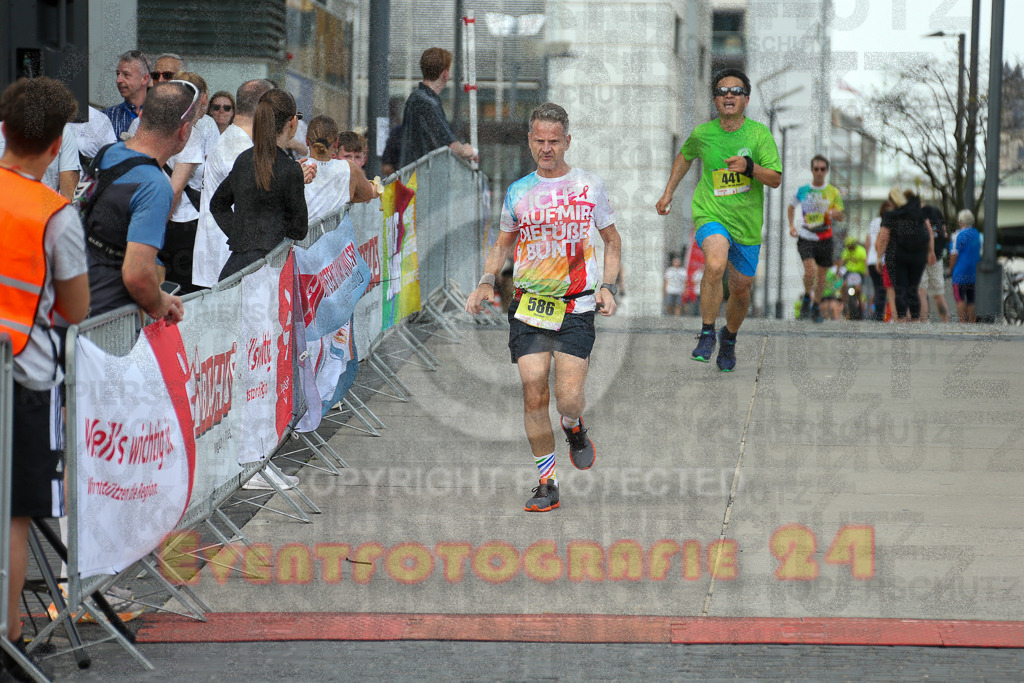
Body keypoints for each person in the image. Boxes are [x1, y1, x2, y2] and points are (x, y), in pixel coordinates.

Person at [465, 103, 621, 513]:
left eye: (555, 141)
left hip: (576, 307)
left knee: (567, 398)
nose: (547, 148)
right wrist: (485, 280)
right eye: (540, 141)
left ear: (567, 141)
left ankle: (573, 426)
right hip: (529, 306)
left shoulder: (589, 186)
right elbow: (502, 243)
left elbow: (612, 241)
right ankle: (547, 482)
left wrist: (607, 286)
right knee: (534, 395)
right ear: (530, 140)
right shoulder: (518, 191)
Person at [0, 76, 90, 682]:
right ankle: (8, 633)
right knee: (14, 513)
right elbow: (76, 308)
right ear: (58, 146)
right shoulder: (55, 215)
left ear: (3, 130)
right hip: (22, 380)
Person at [655, 68, 782, 371]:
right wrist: (668, 193)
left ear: (746, 99)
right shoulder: (703, 134)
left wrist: (749, 167)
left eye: (736, 91)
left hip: (747, 223)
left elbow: (775, 179)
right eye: (722, 91)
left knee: (741, 288)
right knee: (714, 263)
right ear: (715, 100)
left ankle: (729, 338)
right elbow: (685, 156)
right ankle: (708, 332)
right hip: (710, 212)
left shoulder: (758, 135)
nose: (729, 95)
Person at [85, 80, 191, 322]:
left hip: (70, 295)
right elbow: (137, 275)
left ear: (141, 114)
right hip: (107, 315)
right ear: (183, 131)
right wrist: (160, 303)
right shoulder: (155, 185)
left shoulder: (109, 152)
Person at [212, 88, 308, 280]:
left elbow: (217, 204)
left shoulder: (244, 160)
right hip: (271, 269)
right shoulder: (290, 170)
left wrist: (240, 235)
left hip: (238, 265)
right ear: (292, 122)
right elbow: (299, 229)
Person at [192, 78, 273, 288]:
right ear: (265, 108)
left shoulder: (241, 142)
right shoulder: (236, 147)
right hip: (225, 261)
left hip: (232, 259)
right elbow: (255, 200)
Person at [398, 47, 477, 168]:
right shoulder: (427, 102)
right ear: (444, 74)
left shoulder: (417, 98)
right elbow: (451, 145)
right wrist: (469, 151)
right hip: (423, 177)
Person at [788, 155, 844, 323]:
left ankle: (816, 307)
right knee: (810, 271)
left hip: (825, 237)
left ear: (826, 171)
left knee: (821, 278)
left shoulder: (833, 192)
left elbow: (841, 215)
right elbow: (791, 207)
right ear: (812, 170)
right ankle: (806, 297)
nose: (819, 172)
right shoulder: (803, 190)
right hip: (806, 236)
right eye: (816, 169)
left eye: (822, 169)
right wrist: (792, 225)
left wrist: (835, 213)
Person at [304, 115, 379, 221]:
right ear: (336, 143)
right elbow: (369, 193)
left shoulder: (294, 167)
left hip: (302, 236)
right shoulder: (349, 168)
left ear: (307, 140)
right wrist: (376, 187)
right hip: (338, 236)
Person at [875, 188, 932, 322]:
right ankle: (915, 319)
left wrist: (879, 257)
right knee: (913, 288)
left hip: (897, 257)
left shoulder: (891, 215)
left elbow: (884, 236)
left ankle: (901, 319)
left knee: (900, 289)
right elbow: (927, 231)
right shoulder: (918, 212)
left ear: (892, 200)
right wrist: (930, 251)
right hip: (918, 256)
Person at [102, 50, 151, 139]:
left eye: (126, 74)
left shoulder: (159, 116)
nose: (118, 80)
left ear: (144, 79)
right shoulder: (106, 117)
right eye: (118, 74)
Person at [918, 202, 951, 322]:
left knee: (921, 292)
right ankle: (946, 322)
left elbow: (927, 232)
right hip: (937, 258)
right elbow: (944, 232)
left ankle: (923, 324)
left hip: (921, 258)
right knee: (938, 295)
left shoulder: (918, 214)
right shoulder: (936, 212)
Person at [949, 209, 981, 323]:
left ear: (960, 221)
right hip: (973, 272)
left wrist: (951, 269)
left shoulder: (958, 235)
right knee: (971, 299)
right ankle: (972, 323)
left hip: (960, 272)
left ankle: (962, 323)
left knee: (960, 298)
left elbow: (954, 255)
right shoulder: (977, 234)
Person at [865, 200, 892, 321]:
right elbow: (878, 241)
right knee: (882, 289)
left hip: (870, 261)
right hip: (880, 260)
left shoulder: (873, 222)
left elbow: (867, 242)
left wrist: (867, 259)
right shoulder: (886, 222)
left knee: (878, 288)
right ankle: (878, 316)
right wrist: (879, 257)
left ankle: (877, 314)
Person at [838, 235, 867, 319]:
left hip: (859, 272)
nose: (850, 248)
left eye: (851, 246)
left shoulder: (861, 250)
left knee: (858, 290)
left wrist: (867, 271)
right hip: (849, 272)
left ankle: (860, 308)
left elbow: (865, 260)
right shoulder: (846, 251)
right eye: (848, 247)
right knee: (843, 286)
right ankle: (844, 306)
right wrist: (839, 271)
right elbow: (842, 261)